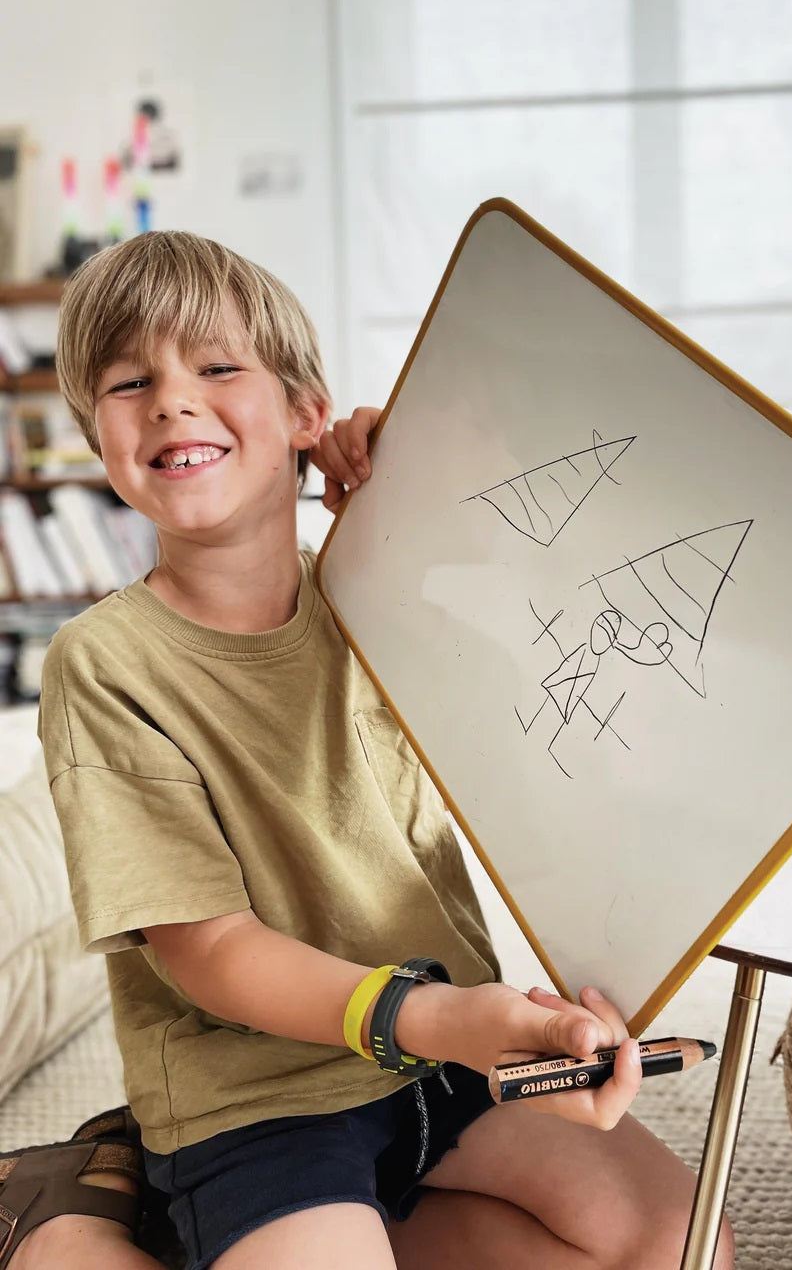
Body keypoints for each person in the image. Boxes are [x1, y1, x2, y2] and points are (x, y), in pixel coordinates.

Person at [1, 231, 733, 1270]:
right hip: (259, 1097)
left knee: (679, 1246)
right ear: (96, 437)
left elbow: (551, 651)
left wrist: (413, 494)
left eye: (218, 367)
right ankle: (80, 1219)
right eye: (131, 383)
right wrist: (440, 1018)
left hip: (441, 1061)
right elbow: (210, 951)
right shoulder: (102, 663)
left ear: (307, 414)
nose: (172, 401)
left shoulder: (377, 587)